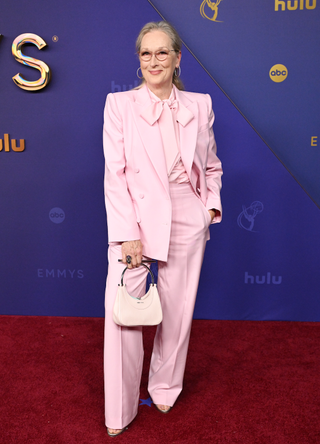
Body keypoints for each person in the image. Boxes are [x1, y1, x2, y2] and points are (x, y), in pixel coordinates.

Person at [103, 21, 222, 437]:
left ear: (176, 58)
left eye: (161, 53)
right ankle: (119, 412)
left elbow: (210, 166)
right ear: (139, 61)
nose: (153, 61)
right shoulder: (119, 105)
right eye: (145, 54)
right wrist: (126, 231)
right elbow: (115, 175)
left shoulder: (200, 104)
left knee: (177, 312)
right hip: (136, 221)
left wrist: (208, 208)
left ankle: (165, 388)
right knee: (125, 319)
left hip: (187, 217)